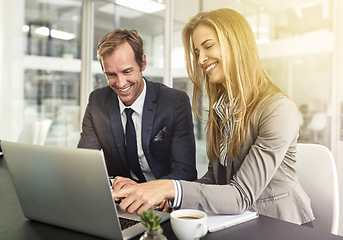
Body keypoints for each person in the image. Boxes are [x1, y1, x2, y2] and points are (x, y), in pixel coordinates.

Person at [112, 8, 315, 225]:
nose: (200, 59)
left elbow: (240, 196)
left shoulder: (278, 109)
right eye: (197, 52)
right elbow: (215, 179)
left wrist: (169, 188)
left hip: (280, 225)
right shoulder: (223, 109)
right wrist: (166, 195)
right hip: (239, 222)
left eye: (208, 46)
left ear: (237, 44)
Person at [77, 29, 197, 190]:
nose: (120, 83)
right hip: (121, 200)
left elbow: (186, 171)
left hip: (162, 199)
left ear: (142, 63)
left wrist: (142, 189)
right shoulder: (97, 101)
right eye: (111, 74)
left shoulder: (174, 101)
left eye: (127, 72)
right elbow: (84, 165)